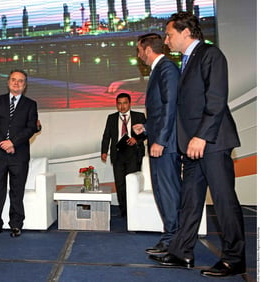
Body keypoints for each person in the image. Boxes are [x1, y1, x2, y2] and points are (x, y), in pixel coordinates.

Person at [148, 12, 246, 277]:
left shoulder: (211, 55)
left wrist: (201, 136)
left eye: (169, 34)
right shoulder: (186, 61)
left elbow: (215, 99)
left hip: (210, 141)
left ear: (185, 32)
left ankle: (235, 259)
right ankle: (182, 253)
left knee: (224, 201)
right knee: (189, 202)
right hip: (191, 146)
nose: (166, 40)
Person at [133, 33, 181, 255]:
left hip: (166, 144)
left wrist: (160, 139)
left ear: (147, 49)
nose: (138, 54)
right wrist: (147, 128)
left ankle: (174, 241)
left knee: (168, 192)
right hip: (159, 140)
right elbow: (161, 110)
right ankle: (169, 238)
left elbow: (172, 106)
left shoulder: (167, 69)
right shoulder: (159, 70)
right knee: (162, 191)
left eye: (139, 49)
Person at [0, 69, 38, 238]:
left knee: (17, 190)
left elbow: (31, 128)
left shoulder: (31, 104)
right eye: (14, 80)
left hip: (19, 154)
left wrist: (13, 143)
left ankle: (15, 224)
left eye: (20, 81)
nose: (16, 83)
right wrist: (4, 143)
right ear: (8, 82)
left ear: (25, 85)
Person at [101, 92, 146, 218]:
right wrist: (104, 151)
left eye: (125, 103)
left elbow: (147, 132)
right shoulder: (111, 118)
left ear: (130, 103)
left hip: (134, 153)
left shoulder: (139, 116)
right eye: (119, 103)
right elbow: (106, 136)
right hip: (118, 154)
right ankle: (124, 210)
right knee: (120, 183)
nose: (122, 106)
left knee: (132, 182)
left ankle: (134, 208)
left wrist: (136, 139)